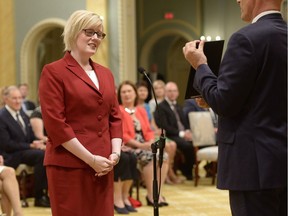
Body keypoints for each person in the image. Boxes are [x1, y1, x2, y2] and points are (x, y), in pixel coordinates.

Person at [182, 0, 287, 215]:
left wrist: (200, 65)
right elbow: (264, 96)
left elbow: (224, 102)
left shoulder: (245, 38)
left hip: (252, 165)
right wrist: (211, 96)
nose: (238, 0)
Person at [38, 10, 123, 216]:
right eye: (90, 32)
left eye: (100, 34)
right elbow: (56, 124)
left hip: (103, 164)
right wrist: (90, 158)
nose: (95, 38)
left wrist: (115, 154)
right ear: (74, 31)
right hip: (69, 164)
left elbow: (115, 117)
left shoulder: (106, 73)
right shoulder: (54, 71)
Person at [117, 80, 169, 207]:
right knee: (151, 158)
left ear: (135, 94)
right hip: (130, 146)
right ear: (119, 95)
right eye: (123, 92)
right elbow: (122, 134)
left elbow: (148, 130)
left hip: (145, 144)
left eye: (129, 91)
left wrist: (151, 141)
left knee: (164, 157)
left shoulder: (140, 110)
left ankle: (158, 193)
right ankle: (151, 195)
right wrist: (140, 145)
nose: (127, 94)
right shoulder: (118, 110)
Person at [0, 85, 49, 208]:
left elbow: (30, 135)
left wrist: (38, 143)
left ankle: (47, 193)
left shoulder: (22, 113)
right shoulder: (2, 116)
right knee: (41, 156)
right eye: (14, 98)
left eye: (20, 98)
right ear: (6, 99)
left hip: (24, 150)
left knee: (47, 152)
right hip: (11, 154)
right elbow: (7, 144)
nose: (18, 101)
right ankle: (39, 196)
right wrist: (30, 145)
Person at [154, 82, 195, 181]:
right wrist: (182, 134)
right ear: (165, 93)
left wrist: (188, 131)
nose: (172, 93)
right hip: (171, 135)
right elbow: (163, 126)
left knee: (196, 142)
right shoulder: (161, 106)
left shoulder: (178, 106)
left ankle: (188, 168)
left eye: (174, 91)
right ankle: (186, 171)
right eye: (170, 91)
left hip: (182, 134)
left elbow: (185, 122)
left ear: (178, 93)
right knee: (188, 146)